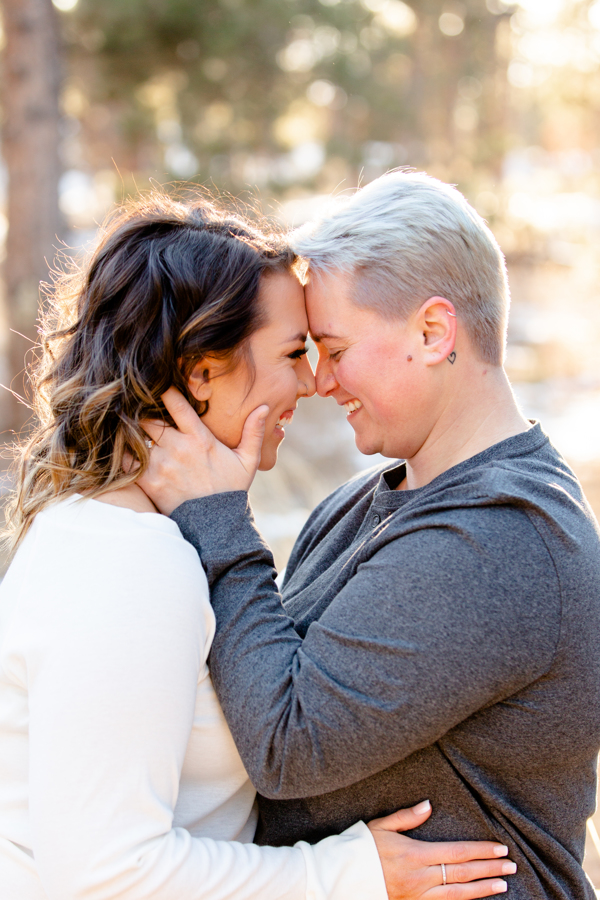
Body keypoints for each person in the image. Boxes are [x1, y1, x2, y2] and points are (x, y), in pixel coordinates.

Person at [0, 192, 514, 900]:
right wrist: (347, 874)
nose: (313, 380)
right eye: (294, 351)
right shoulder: (128, 562)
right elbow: (102, 876)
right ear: (201, 371)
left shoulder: (128, 535)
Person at [136, 172, 600, 900]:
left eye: (335, 346)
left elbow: (288, 745)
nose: (320, 381)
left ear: (433, 331)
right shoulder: (363, 504)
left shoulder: (503, 540)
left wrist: (218, 520)